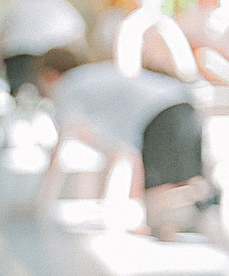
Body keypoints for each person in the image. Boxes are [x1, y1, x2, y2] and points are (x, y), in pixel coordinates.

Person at [31, 47, 213, 237]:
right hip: (183, 103)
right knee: (188, 177)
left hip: (159, 114)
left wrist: (41, 201)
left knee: (160, 185)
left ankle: (168, 229)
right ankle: (196, 221)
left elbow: (60, 148)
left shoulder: (68, 87)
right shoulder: (93, 78)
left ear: (50, 76)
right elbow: (122, 153)